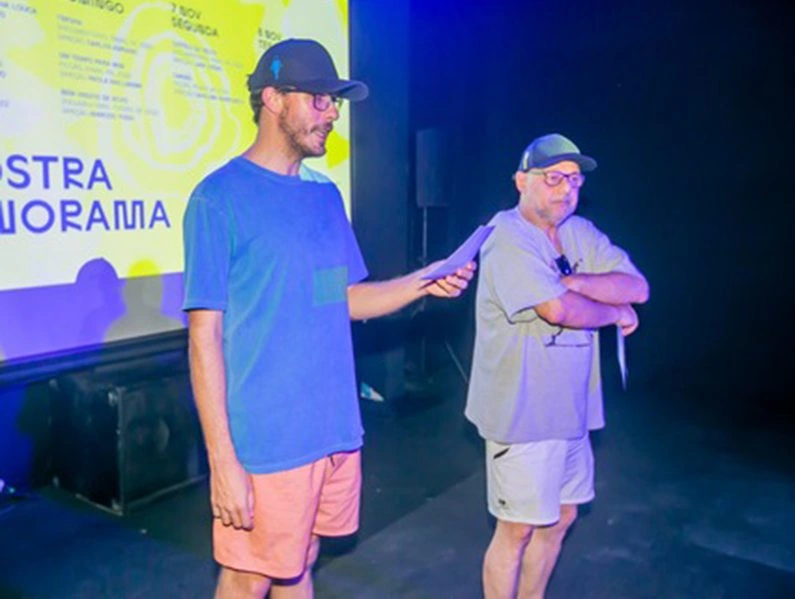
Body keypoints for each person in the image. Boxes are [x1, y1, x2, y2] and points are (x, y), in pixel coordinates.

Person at [182, 39, 474, 598]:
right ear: (273, 98)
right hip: (269, 438)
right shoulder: (218, 199)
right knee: (248, 576)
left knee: (302, 560)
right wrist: (222, 461)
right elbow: (204, 337)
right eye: (319, 99)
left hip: (334, 428)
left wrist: (424, 281)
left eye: (334, 102)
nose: (333, 113)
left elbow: (344, 299)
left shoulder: (324, 197)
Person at [465, 133, 649, 598]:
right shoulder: (506, 236)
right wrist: (614, 312)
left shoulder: (580, 232)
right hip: (523, 414)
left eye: (575, 180)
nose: (567, 189)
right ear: (521, 181)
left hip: (573, 412)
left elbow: (637, 287)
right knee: (517, 529)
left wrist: (577, 281)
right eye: (554, 178)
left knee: (562, 516)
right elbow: (557, 310)